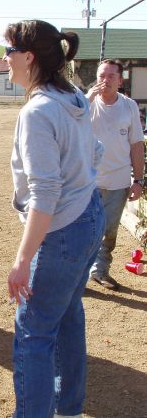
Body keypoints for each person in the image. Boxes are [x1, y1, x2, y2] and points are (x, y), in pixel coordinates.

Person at [5, 20, 105, 417]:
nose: (5, 58)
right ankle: (69, 409)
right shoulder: (74, 97)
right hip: (88, 217)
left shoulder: (39, 110)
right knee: (66, 316)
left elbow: (45, 192)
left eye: (9, 50)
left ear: (28, 56)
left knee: (33, 333)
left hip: (62, 230)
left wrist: (23, 259)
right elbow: (94, 152)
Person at [86, 59, 144, 290]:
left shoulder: (129, 106)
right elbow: (68, 129)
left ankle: (100, 271)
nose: (105, 80)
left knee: (109, 231)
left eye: (111, 76)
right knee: (82, 229)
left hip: (118, 181)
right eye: (102, 75)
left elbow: (137, 145)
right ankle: (78, 276)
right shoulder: (85, 103)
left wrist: (138, 180)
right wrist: (87, 99)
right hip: (86, 180)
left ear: (120, 80)